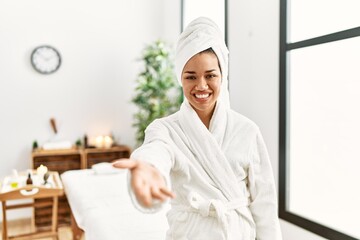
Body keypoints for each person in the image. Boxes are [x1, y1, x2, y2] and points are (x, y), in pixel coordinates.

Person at [113, 17, 282, 240]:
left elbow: (265, 205)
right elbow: (155, 151)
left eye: (210, 75)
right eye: (190, 77)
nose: (201, 86)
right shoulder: (165, 130)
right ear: (180, 79)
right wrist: (148, 167)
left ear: (223, 77)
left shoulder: (247, 130)